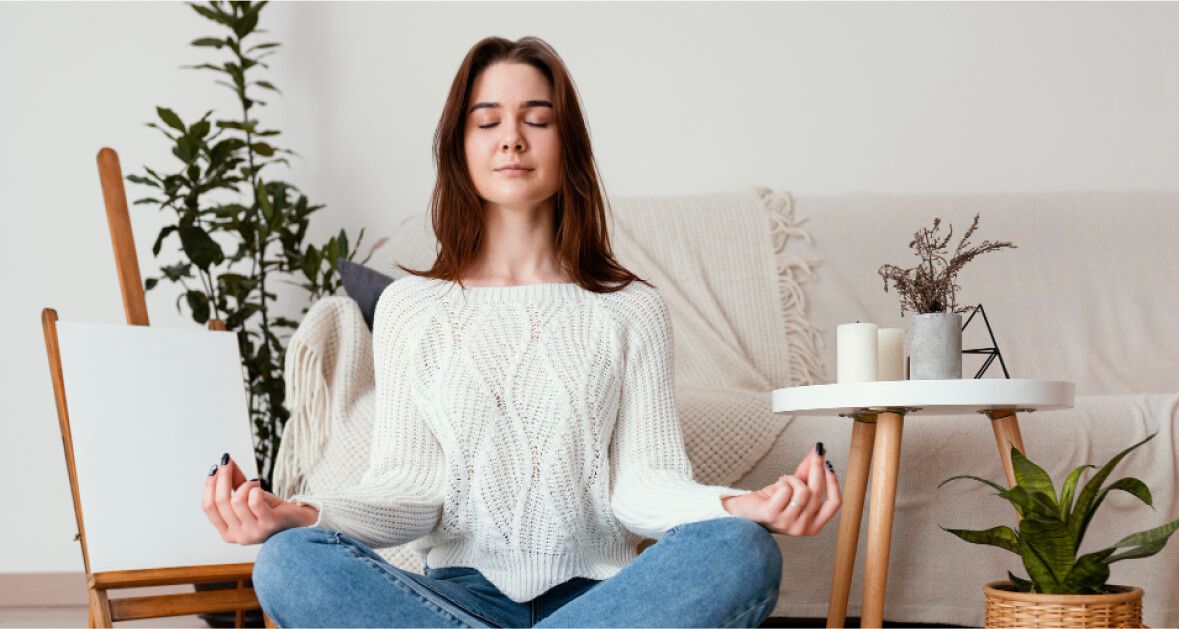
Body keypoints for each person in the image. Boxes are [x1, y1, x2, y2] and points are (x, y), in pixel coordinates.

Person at [201, 35, 842, 628]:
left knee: (741, 552)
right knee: (289, 561)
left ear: (569, 147)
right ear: (461, 147)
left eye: (537, 120)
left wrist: (741, 507)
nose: (512, 139)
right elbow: (408, 490)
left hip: (604, 604)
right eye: (488, 122)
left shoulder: (629, 308)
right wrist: (300, 513)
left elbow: (646, 488)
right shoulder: (412, 308)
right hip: (452, 597)